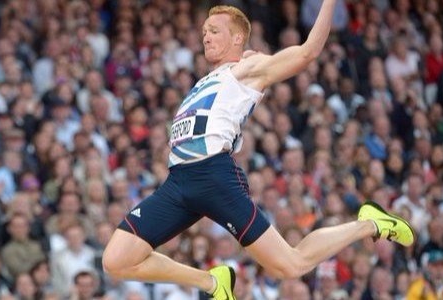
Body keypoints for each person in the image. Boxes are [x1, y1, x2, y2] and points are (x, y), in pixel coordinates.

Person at [102, 3, 415, 300]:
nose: (205, 36)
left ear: (237, 37)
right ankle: (213, 282)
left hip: (214, 177)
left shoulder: (246, 69)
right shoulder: (205, 80)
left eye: (213, 30)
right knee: (116, 260)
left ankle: (371, 223)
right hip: (179, 181)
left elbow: (307, 53)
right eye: (204, 32)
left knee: (290, 265)